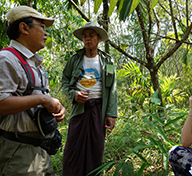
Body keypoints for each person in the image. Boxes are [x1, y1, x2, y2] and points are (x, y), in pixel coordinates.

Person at [0, 5, 65, 175]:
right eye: (42, 27)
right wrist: (43, 100)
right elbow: (1, 103)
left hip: (41, 150)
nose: (46, 33)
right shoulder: (6, 59)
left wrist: (56, 108)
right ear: (24, 28)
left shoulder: (36, 64)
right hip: (18, 152)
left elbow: (36, 99)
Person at [62, 22, 117, 176]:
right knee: (73, 148)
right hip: (79, 110)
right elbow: (65, 81)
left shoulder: (108, 61)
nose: (87, 39)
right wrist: (74, 95)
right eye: (85, 36)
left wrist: (111, 114)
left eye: (91, 35)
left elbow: (112, 88)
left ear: (98, 38)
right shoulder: (75, 59)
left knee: (95, 149)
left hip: (98, 110)